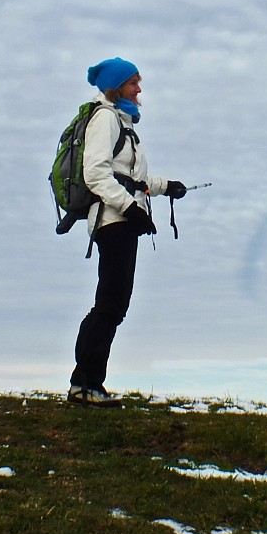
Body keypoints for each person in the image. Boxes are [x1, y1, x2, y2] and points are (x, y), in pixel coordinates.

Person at [69, 57, 186, 407]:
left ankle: (88, 383)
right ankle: (85, 384)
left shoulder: (123, 122)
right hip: (113, 221)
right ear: (117, 87)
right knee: (111, 303)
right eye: (134, 82)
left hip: (120, 219)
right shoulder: (105, 118)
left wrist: (168, 187)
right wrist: (131, 209)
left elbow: (132, 178)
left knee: (113, 303)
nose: (139, 89)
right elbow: (96, 175)